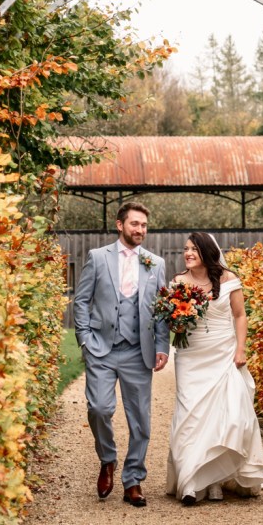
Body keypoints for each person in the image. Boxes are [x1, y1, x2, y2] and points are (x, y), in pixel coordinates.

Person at [74, 201, 169, 507]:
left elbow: (162, 311)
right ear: (120, 225)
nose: (140, 230)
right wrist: (85, 340)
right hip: (101, 348)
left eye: (144, 225)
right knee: (99, 409)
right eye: (134, 224)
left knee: (140, 419)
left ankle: (133, 479)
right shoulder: (97, 257)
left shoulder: (156, 263)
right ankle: (108, 459)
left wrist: (161, 347)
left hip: (137, 351)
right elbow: (81, 300)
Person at [166, 231, 263, 505]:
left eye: (194, 250)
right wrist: (176, 317)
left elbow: (239, 315)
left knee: (228, 415)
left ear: (207, 253)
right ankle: (190, 482)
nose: (187, 253)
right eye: (186, 249)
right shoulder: (178, 282)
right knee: (191, 416)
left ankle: (214, 480)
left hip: (223, 352)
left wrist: (240, 349)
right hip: (191, 355)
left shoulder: (229, 279)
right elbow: (175, 327)